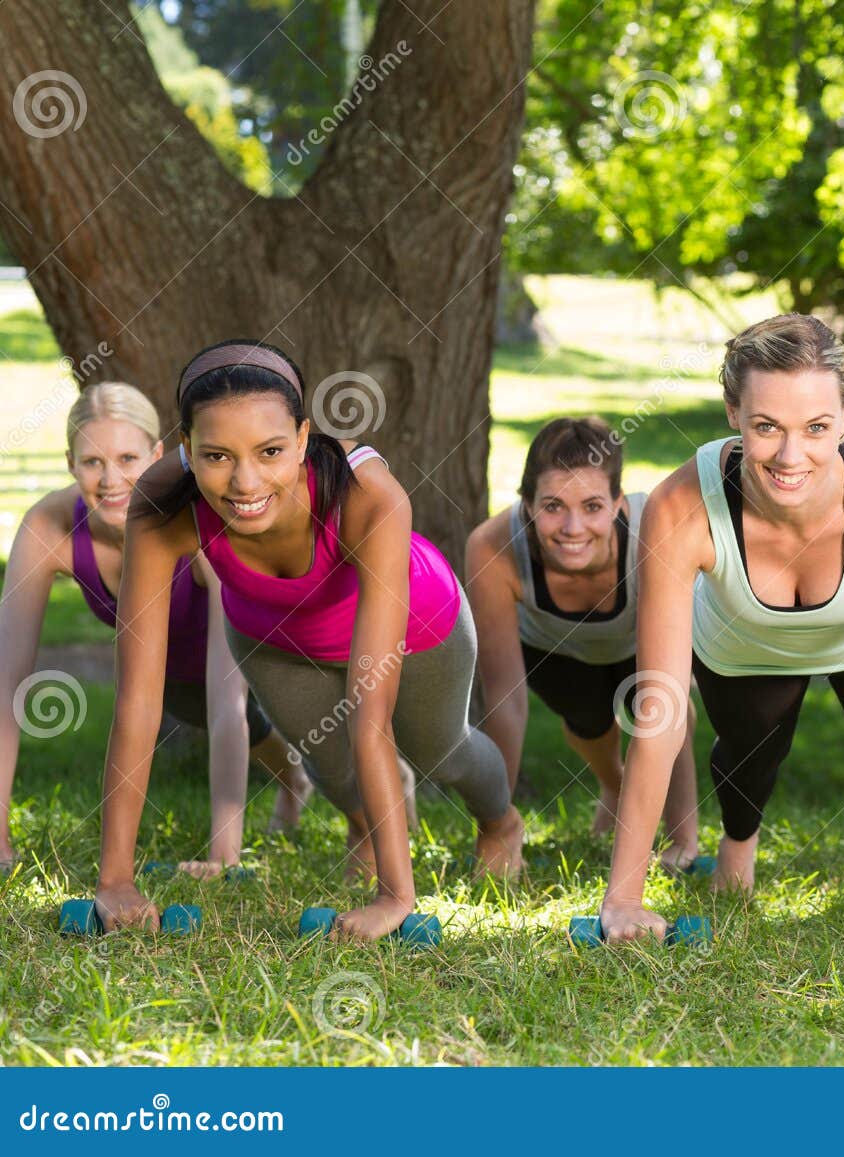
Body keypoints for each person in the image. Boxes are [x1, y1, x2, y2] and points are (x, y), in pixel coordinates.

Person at [93, 341, 522, 941]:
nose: (244, 481)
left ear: (302, 438)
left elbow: (371, 716)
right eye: (216, 455)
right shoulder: (163, 505)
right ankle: (367, 827)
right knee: (330, 761)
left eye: (270, 451)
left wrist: (397, 899)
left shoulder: (368, 494)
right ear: (186, 449)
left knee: (441, 752)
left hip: (416, 621)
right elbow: (138, 698)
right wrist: (115, 879)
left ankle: (501, 825)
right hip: (273, 634)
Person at [597, 314, 844, 945]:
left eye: (817, 428)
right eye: (766, 426)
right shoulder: (678, 508)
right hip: (742, 641)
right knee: (749, 754)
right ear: (732, 412)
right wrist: (623, 900)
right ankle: (738, 844)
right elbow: (662, 712)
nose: (790, 455)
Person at [0, 383, 307, 879]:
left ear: (157, 454)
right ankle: (294, 778)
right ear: (69, 462)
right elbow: (5, 685)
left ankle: (297, 783)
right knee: (212, 713)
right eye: (92, 462)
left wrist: (223, 855)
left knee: (250, 712)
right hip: (166, 680)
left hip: (251, 651)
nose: (111, 479)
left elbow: (226, 702)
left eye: (127, 458)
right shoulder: (48, 526)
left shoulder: (196, 523)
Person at [466, 417, 700, 866]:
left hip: (638, 639)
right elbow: (505, 701)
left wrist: (682, 840)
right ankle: (614, 784)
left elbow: (668, 692)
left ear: (617, 503)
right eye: (553, 506)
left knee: (662, 710)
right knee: (590, 725)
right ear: (527, 505)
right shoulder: (491, 546)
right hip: (556, 650)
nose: (573, 528)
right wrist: (495, 829)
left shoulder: (653, 532)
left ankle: (681, 836)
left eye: (592, 507)